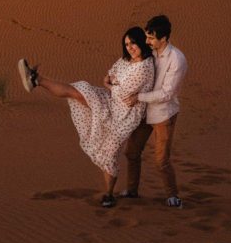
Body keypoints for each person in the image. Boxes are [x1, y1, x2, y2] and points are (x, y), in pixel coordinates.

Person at [18, 26, 154, 207]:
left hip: (124, 116)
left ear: (141, 42)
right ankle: (36, 79)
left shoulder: (144, 66)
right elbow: (112, 73)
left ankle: (108, 193)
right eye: (127, 44)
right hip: (111, 101)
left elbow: (123, 92)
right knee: (79, 90)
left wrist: (112, 84)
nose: (130, 47)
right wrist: (112, 82)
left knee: (109, 153)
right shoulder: (127, 60)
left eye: (133, 43)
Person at [121, 14, 187, 208]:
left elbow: (167, 93)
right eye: (146, 36)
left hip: (163, 114)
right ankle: (132, 191)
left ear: (164, 38)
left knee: (161, 160)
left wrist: (138, 97)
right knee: (132, 151)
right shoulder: (150, 52)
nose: (147, 41)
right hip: (144, 112)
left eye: (151, 38)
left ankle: (173, 196)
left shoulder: (177, 60)